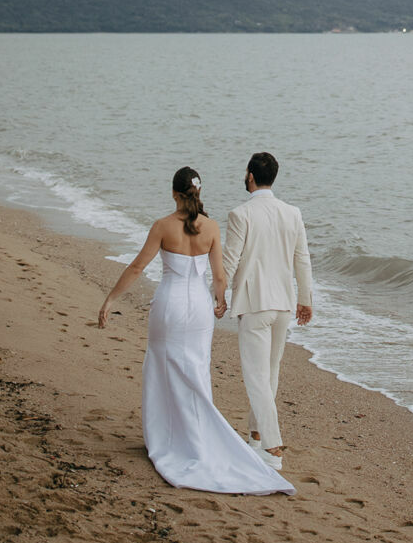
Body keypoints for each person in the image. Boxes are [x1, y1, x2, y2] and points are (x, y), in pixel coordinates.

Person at [98, 166, 293, 496]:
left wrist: (110, 299)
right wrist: (220, 301)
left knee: (161, 366)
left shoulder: (163, 226)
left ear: (174, 193)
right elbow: (219, 277)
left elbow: (137, 266)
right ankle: (198, 436)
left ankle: (165, 437)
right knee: (197, 370)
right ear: (198, 192)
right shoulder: (212, 227)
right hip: (200, 308)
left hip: (170, 306)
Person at [223, 151, 312, 470]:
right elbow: (302, 258)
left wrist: (216, 295)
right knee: (270, 374)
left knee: (256, 377)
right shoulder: (292, 213)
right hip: (283, 304)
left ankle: (273, 448)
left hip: (255, 303)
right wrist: (305, 298)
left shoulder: (240, 214)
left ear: (250, 176)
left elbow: (230, 260)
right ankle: (256, 437)